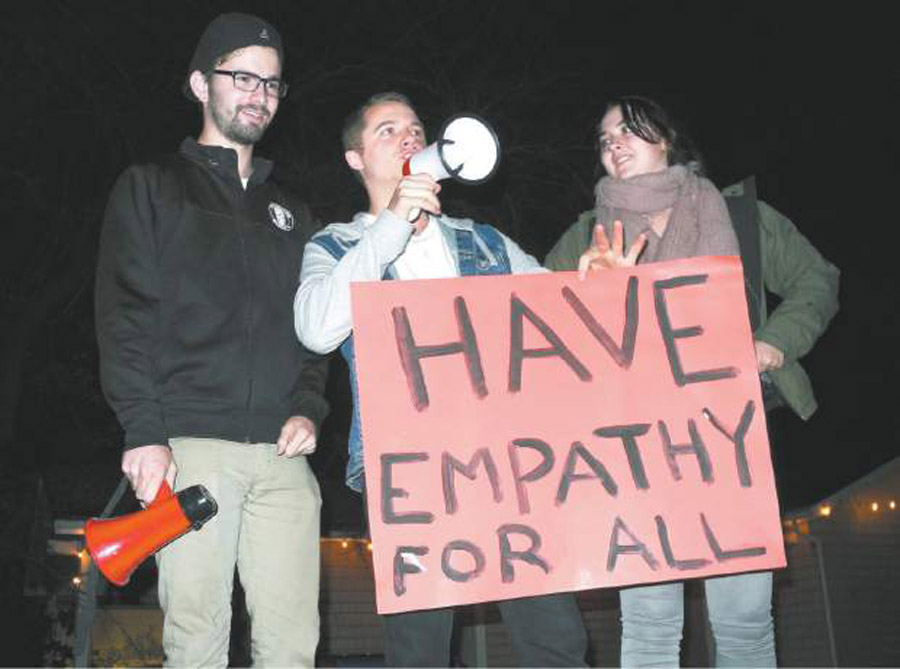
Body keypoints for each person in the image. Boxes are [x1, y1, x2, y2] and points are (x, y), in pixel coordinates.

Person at [294, 92, 588, 667]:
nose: (407, 137)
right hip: (413, 473)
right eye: (387, 130)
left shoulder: (485, 243)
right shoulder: (335, 245)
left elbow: (562, 322)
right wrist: (389, 227)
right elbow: (315, 328)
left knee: (554, 637)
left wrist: (596, 288)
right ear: (355, 158)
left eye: (415, 128)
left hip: (510, 465)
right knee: (419, 648)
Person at [544, 95, 839, 666]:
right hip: (635, 447)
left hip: (730, 441)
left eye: (629, 131)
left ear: (668, 141)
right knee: (649, 626)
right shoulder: (586, 236)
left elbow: (816, 280)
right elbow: (535, 326)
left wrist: (777, 341)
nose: (614, 144)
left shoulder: (738, 217)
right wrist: (586, 292)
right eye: (605, 139)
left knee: (745, 624)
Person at [95, 13, 328, 667]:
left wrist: (310, 406)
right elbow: (125, 314)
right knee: (196, 643)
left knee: (293, 648)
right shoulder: (152, 187)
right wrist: (143, 429)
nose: (258, 93)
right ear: (201, 83)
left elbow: (316, 329)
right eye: (242, 77)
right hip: (190, 447)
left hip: (283, 459)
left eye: (272, 84)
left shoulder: (296, 214)